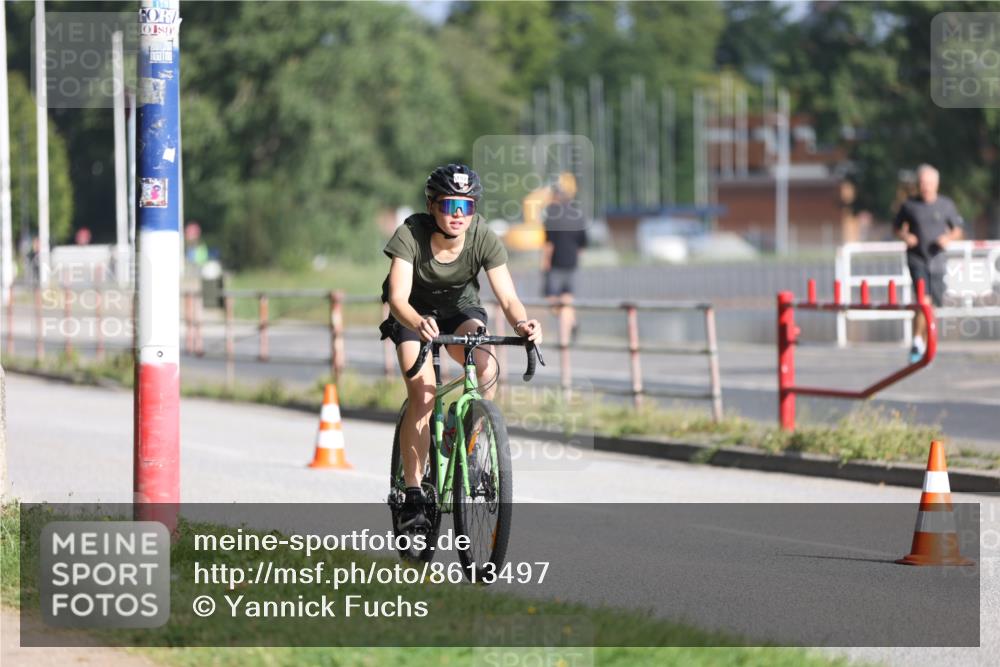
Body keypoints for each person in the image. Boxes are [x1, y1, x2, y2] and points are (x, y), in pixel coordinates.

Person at [379, 164, 542, 530]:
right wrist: (416, 322)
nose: (457, 215)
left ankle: (469, 442)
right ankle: (413, 492)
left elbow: (508, 297)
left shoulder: (482, 235)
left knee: (487, 364)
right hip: (413, 315)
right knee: (423, 395)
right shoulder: (410, 234)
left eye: (465, 207)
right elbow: (397, 298)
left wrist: (523, 324)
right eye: (449, 205)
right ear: (432, 205)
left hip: (460, 312)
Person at [893, 164, 964, 362]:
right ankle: (917, 341)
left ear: (936, 184)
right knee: (923, 300)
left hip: (938, 259)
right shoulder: (909, 205)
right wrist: (906, 236)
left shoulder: (946, 205)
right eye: (922, 183)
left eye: (929, 183)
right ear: (918, 184)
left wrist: (948, 238)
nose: (925, 187)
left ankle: (924, 343)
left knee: (931, 305)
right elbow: (896, 228)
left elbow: (958, 230)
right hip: (917, 258)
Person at [541, 174, 587, 345]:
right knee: (567, 301)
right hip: (572, 264)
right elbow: (583, 243)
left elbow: (549, 244)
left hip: (555, 265)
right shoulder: (578, 215)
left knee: (552, 301)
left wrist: (545, 264)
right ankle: (568, 332)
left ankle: (564, 338)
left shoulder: (552, 215)